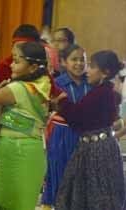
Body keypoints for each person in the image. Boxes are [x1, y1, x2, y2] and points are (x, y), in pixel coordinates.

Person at [54, 50, 125, 210]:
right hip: (99, 148)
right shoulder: (106, 91)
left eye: (92, 67)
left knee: (94, 195)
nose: (87, 71)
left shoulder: (100, 93)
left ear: (105, 72)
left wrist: (62, 101)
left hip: (96, 151)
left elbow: (77, 118)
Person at [0, 42, 52, 210]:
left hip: (19, 151)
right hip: (21, 150)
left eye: (16, 61)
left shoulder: (18, 88)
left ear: (32, 67)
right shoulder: (42, 84)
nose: (11, 65)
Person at [41, 44, 91, 210]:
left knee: (81, 176)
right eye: (74, 59)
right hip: (61, 133)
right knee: (58, 173)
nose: (78, 64)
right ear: (63, 62)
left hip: (85, 135)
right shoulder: (56, 83)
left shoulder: (91, 83)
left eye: (82, 60)